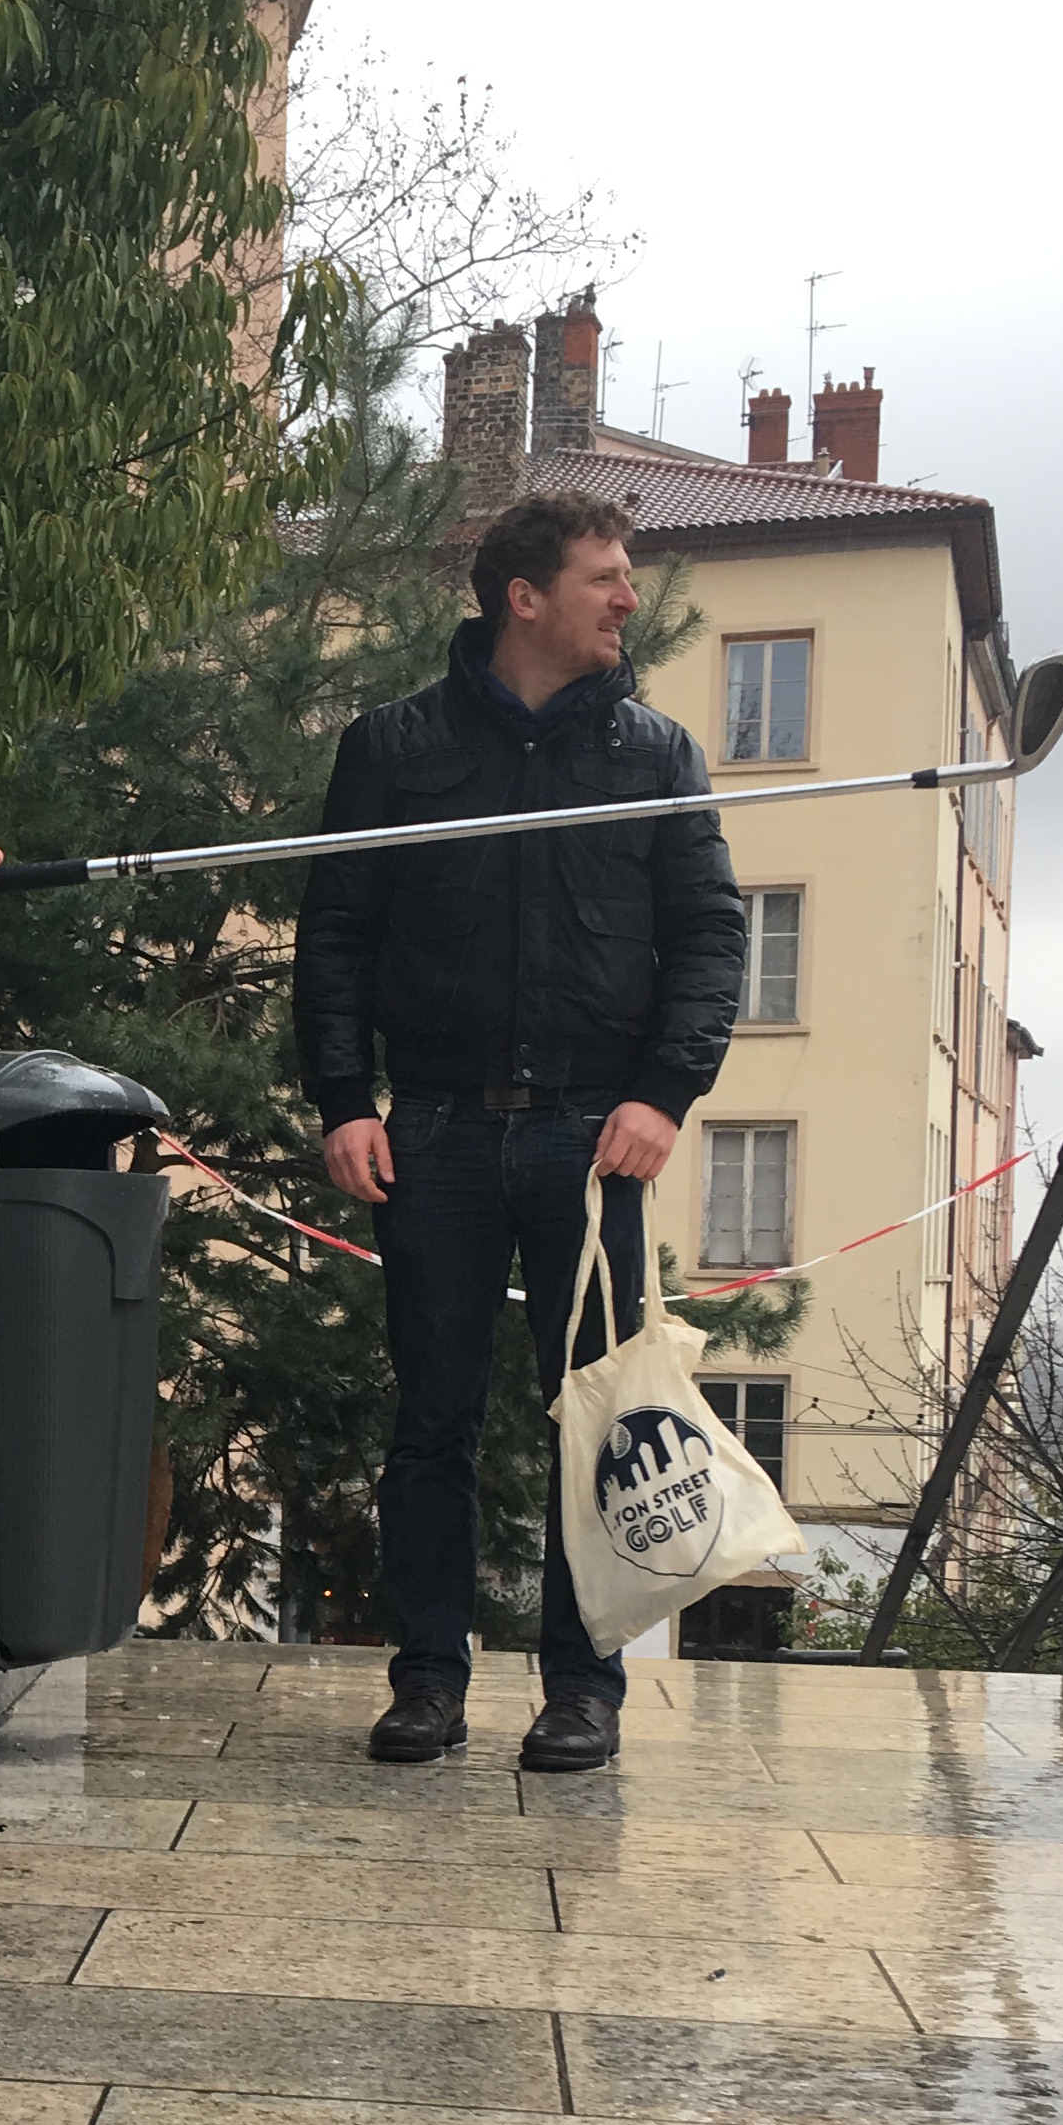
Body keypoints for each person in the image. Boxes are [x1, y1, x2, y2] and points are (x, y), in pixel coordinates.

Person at [294, 489, 744, 1775]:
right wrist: (341, 1103)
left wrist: (666, 1093)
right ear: (523, 598)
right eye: (606, 576)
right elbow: (335, 937)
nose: (627, 598)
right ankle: (428, 1680)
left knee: (599, 1421)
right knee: (428, 1420)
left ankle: (580, 1688)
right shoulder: (392, 748)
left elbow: (711, 936)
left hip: (596, 1138)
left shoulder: (655, 753)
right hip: (429, 1135)